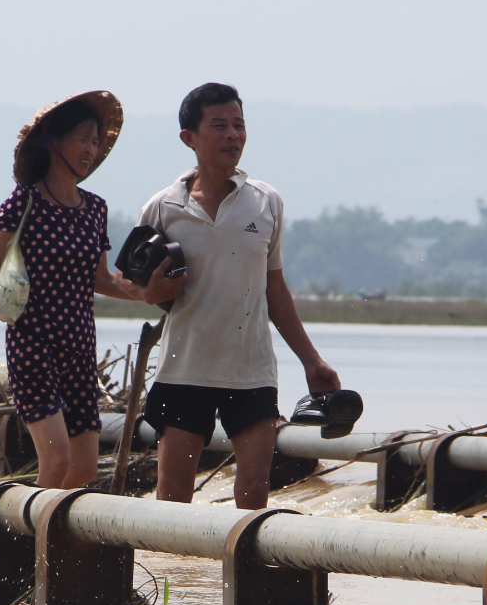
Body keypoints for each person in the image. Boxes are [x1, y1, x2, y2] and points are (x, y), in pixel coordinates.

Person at [135, 83, 340, 510]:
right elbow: (141, 286)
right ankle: (177, 578)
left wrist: (312, 361)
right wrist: (152, 291)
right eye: (219, 126)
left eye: (239, 125)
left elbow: (276, 290)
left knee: (252, 494)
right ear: (188, 138)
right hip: (183, 369)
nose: (233, 135)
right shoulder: (162, 208)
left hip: (251, 371)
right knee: (172, 499)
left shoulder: (266, 203)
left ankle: (242, 578)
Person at [0, 92, 181, 488]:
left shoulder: (95, 209)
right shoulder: (25, 202)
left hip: (79, 347)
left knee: (83, 470)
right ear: (51, 141)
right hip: (33, 344)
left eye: (96, 142)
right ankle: (31, 547)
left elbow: (104, 279)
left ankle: (55, 548)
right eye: (82, 139)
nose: (90, 150)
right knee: (57, 460)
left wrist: (149, 293)